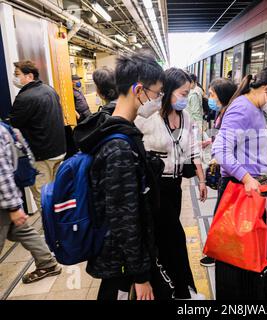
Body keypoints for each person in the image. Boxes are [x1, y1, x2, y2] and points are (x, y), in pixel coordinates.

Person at [73, 51, 165, 300]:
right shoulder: (119, 147)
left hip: (123, 259)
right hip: (122, 264)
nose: (159, 101)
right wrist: (140, 275)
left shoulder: (118, 131)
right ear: (138, 91)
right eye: (157, 94)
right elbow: (123, 217)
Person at [212, 66, 267, 299]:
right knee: (236, 262)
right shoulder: (243, 109)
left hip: (248, 189)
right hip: (237, 191)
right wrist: (246, 178)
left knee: (247, 258)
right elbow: (221, 150)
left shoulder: (254, 109)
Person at [135, 68, 207, 300]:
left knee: (169, 236)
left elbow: (194, 147)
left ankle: (175, 289)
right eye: (183, 93)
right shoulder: (147, 118)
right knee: (171, 237)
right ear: (167, 92)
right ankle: (180, 290)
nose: (186, 98)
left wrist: (202, 179)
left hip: (174, 187)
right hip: (153, 188)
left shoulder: (185, 117)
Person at [0, 123, 62, 283]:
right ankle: (47, 263)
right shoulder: (6, 127)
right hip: (10, 195)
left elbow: (2, 173)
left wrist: (13, 206)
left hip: (4, 200)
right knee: (21, 230)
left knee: (20, 229)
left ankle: (48, 262)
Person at [9, 60, 66, 215]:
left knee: (43, 197)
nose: (15, 78)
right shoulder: (49, 89)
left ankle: (51, 234)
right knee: (57, 194)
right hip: (58, 150)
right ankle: (62, 229)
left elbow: (14, 123)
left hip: (41, 156)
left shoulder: (25, 97)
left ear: (29, 76)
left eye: (17, 74)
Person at [199, 77, 237, 267]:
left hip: (229, 173)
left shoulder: (230, 114)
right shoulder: (222, 113)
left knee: (220, 213)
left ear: (222, 96)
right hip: (225, 171)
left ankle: (217, 253)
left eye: (212, 94)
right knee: (220, 212)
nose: (209, 98)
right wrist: (209, 142)